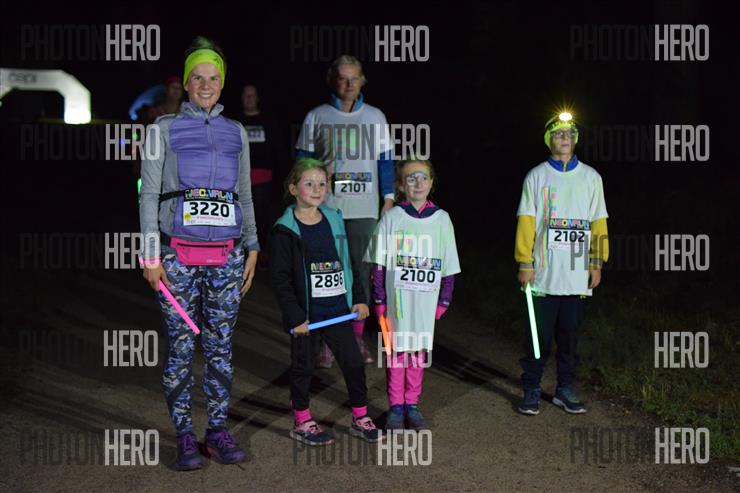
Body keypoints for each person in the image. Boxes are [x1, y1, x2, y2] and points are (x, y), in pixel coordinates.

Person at [139, 36, 259, 470]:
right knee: (181, 346)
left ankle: (218, 431)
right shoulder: (162, 129)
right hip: (176, 257)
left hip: (226, 257)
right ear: (187, 84)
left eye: (213, 78)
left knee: (220, 346)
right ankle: (185, 436)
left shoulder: (236, 132)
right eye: (197, 78)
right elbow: (148, 194)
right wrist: (150, 256)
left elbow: (244, 194)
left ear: (222, 84)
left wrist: (252, 246)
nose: (206, 85)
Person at [269, 158, 382, 445]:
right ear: (293, 188)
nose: (317, 189)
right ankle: (302, 421)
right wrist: (295, 316)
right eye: (309, 184)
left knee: (353, 364)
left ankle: (360, 417)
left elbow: (349, 262)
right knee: (303, 367)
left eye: (322, 183)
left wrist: (359, 299)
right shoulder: (284, 230)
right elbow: (281, 279)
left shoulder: (334, 218)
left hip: (337, 311)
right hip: (307, 315)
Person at [295, 55, 394, 366]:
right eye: (342, 78)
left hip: (364, 209)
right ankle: (327, 342)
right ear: (332, 80)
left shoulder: (376, 116)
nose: (349, 84)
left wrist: (388, 197)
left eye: (354, 78)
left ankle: (355, 339)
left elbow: (385, 160)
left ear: (363, 80)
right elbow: (302, 160)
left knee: (362, 275)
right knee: (328, 275)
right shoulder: (316, 116)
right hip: (327, 209)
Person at [514, 111, 609, 416]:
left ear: (576, 139)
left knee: (569, 337)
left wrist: (597, 260)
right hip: (543, 274)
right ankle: (531, 388)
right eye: (557, 133)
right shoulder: (536, 176)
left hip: (576, 275)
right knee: (538, 337)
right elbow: (527, 222)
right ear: (549, 139)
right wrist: (524, 261)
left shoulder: (591, 178)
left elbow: (599, 222)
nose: (564, 138)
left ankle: (564, 389)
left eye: (569, 133)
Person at [365, 159, 461, 430]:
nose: (418, 183)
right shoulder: (392, 217)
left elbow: (449, 264)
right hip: (397, 303)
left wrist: (444, 299)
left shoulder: (442, 219)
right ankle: (396, 406)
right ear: (400, 185)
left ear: (431, 183)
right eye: (410, 178)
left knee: (418, 354)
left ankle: (412, 404)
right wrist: (379, 299)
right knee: (396, 355)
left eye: (423, 177)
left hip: (425, 303)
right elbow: (378, 263)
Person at [234, 84, 288, 268]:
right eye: (246, 95)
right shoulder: (235, 122)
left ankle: (261, 254)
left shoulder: (269, 121)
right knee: (240, 219)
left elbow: (279, 152)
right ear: (241, 98)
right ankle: (242, 254)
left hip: (264, 181)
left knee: (263, 219)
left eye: (252, 95)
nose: (249, 98)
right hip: (238, 180)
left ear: (257, 98)